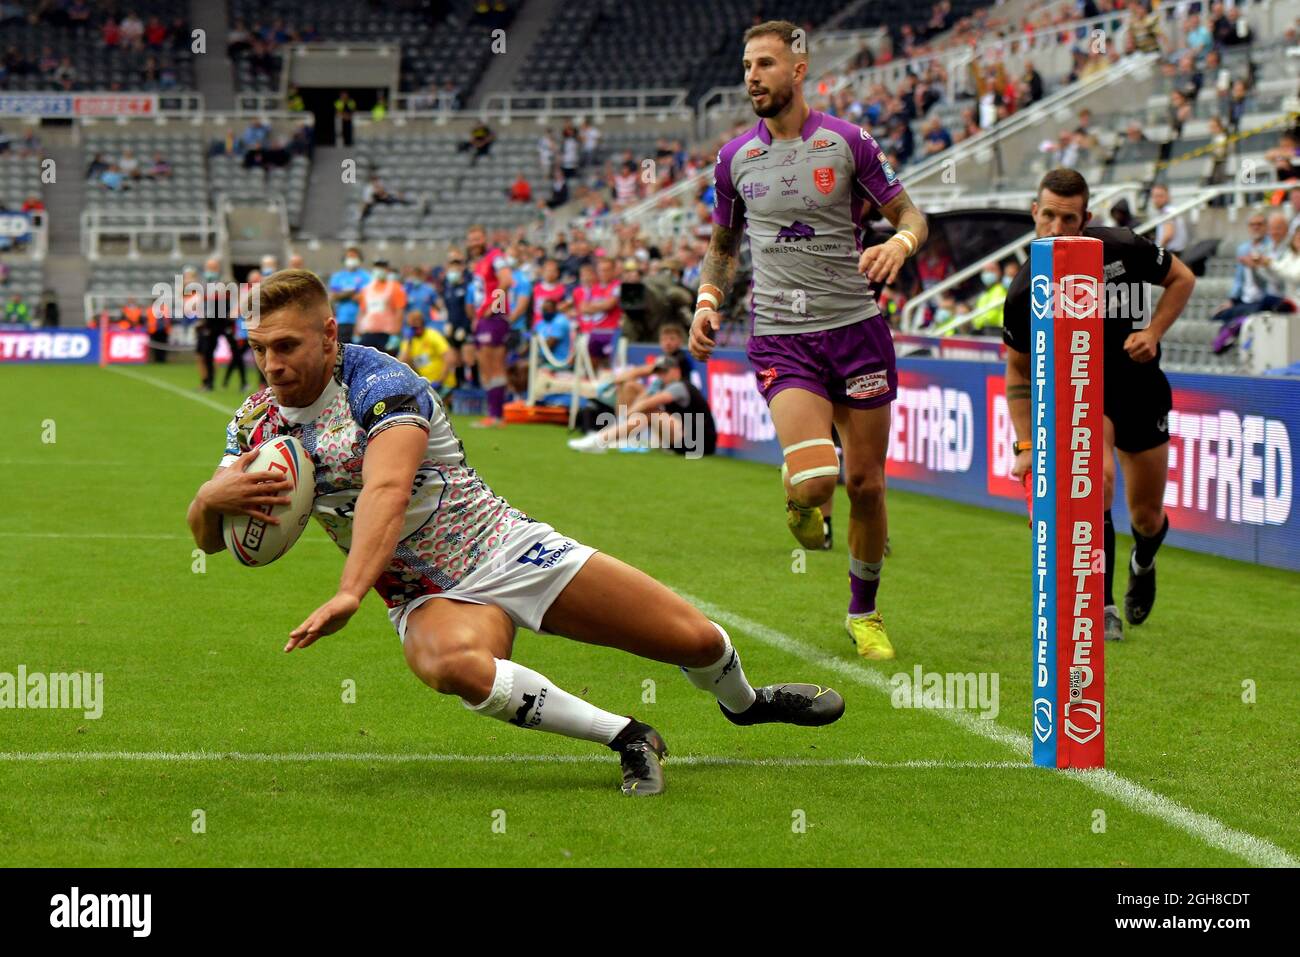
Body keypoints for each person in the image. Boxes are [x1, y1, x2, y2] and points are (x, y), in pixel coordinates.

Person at [184, 270, 845, 797]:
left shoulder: (383, 384)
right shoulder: (253, 422)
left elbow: (387, 490)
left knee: (697, 642)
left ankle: (747, 703)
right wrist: (209, 497)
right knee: (451, 666)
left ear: (329, 335)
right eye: (260, 348)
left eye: (287, 346)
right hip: (426, 593)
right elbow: (214, 539)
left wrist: (349, 592)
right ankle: (630, 736)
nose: (271, 363)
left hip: (508, 548)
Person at [690, 20, 927, 660]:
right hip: (784, 338)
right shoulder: (735, 157)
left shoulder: (847, 143)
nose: (752, 77)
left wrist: (900, 243)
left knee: (869, 485)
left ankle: (865, 612)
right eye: (746, 67)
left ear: (798, 71)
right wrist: (707, 300)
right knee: (821, 479)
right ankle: (800, 501)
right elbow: (722, 244)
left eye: (764, 64)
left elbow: (910, 214)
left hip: (857, 330)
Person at [1002, 168, 1197, 642]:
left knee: (1147, 516)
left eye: (1067, 219)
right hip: (1081, 397)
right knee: (1098, 481)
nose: (1055, 228)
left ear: (1085, 219)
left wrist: (1152, 333)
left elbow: (1182, 279)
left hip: (1141, 390)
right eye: (1047, 215)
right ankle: (1102, 602)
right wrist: (1025, 443)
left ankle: (1143, 560)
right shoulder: (1026, 290)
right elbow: (1019, 375)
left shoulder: (1124, 248)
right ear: (1034, 212)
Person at [568, 352, 717, 457]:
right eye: (659, 373)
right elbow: (639, 391)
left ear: (676, 371)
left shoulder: (679, 386)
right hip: (688, 441)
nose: (661, 376)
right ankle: (605, 439)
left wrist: (628, 416)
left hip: (699, 443)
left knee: (649, 412)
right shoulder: (664, 385)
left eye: (664, 372)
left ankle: (600, 440)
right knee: (635, 396)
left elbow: (648, 403)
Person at [399, 308, 456, 396]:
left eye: (418, 322)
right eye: (413, 325)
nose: (416, 326)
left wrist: (440, 381)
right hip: (425, 386)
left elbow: (449, 358)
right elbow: (401, 363)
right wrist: (409, 344)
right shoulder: (408, 341)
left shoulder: (432, 335)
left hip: (443, 384)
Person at [356, 260, 406, 355]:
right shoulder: (366, 289)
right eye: (377, 268)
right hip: (368, 333)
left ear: (387, 270)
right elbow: (362, 311)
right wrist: (357, 332)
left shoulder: (395, 288)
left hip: (386, 334)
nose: (379, 271)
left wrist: (395, 334)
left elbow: (399, 311)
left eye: (382, 268)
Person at [327, 247, 370, 345]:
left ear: (359, 259)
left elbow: (364, 297)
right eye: (349, 256)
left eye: (354, 256)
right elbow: (333, 296)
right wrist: (352, 292)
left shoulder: (366, 277)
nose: (351, 259)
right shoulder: (338, 277)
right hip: (343, 320)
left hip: (361, 321)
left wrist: (343, 294)